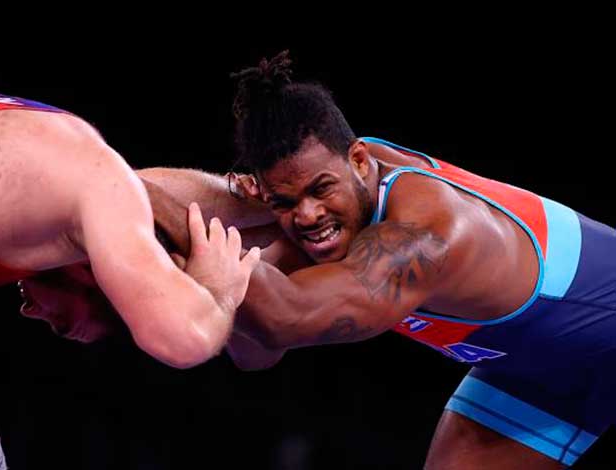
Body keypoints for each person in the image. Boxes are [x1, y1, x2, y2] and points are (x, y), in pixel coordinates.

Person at [220, 50, 616, 469]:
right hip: (536, 365)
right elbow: (255, 351)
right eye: (284, 201)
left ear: (358, 162)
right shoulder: (333, 204)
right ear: (263, 193)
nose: (308, 215)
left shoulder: (425, 231)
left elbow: (285, 317)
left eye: (320, 191)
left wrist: (175, 243)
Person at [0, 83, 259, 469]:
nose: (28, 312)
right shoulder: (100, 188)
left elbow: (155, 195)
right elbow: (183, 338)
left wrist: (270, 202)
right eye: (63, 323)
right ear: (97, 274)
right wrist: (218, 289)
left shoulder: (72, 163)